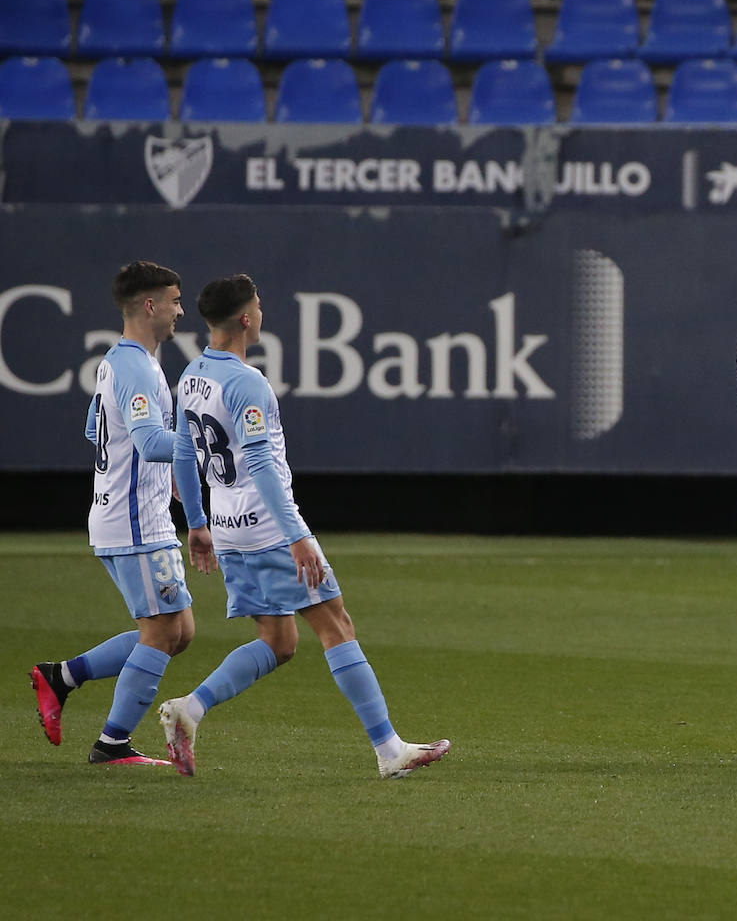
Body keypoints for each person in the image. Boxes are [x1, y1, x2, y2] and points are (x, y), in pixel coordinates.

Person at [159, 274, 449, 779]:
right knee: (335, 622)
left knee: (279, 641)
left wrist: (198, 523)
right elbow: (260, 462)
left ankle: (191, 708)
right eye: (259, 303)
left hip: (228, 528)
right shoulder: (247, 382)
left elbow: (184, 450)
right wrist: (298, 535)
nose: (263, 310)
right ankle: (389, 751)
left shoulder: (193, 374)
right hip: (267, 529)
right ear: (247, 318)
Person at [30, 261, 194, 766]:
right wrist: (204, 441)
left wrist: (159, 476)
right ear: (150, 305)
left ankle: (62, 677)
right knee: (163, 634)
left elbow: (98, 432)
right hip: (135, 521)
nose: (180, 311)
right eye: (174, 300)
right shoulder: (135, 367)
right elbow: (147, 440)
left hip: (134, 513)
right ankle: (113, 743)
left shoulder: (118, 362)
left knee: (179, 632)